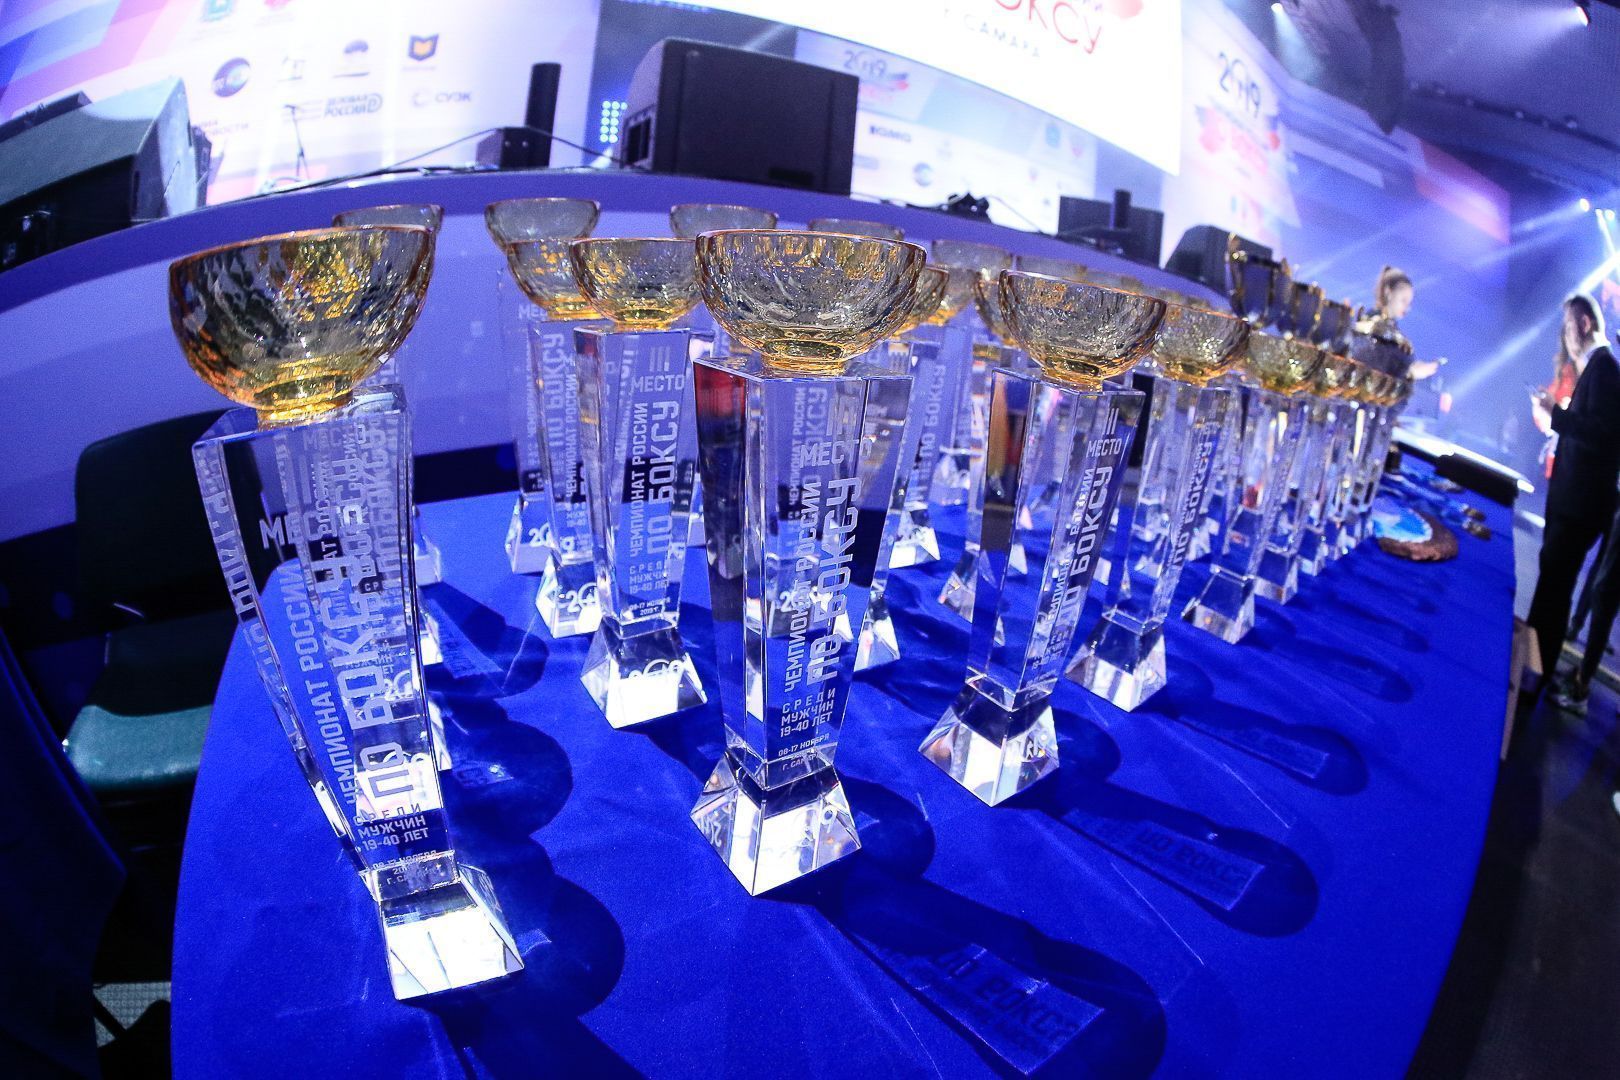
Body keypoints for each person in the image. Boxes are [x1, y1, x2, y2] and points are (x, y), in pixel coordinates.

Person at [1527, 294, 1620, 690]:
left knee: (1554, 590)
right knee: (1553, 586)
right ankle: (1532, 671)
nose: (1565, 337)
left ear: (1584, 324)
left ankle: (1533, 675)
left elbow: (1602, 435)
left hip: (1579, 506)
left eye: (1568, 327)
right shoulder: (1598, 369)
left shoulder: (1605, 369)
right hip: (1574, 502)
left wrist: (1557, 415)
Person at [1360, 266, 1442, 380]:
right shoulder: (1373, 327)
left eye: (1409, 303)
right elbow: (1374, 366)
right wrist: (1410, 373)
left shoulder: (1392, 332)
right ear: (1389, 293)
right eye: (1403, 300)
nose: (1407, 308)